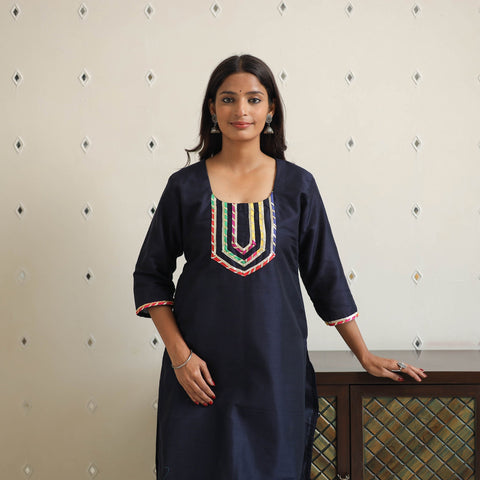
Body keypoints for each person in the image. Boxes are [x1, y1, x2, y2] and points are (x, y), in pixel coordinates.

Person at [133, 54, 427, 480]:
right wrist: (181, 358)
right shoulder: (185, 187)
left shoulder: (298, 186)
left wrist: (363, 353)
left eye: (254, 99)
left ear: (271, 109)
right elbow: (150, 275)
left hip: (276, 374)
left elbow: (325, 277)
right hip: (199, 375)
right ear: (212, 109)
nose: (241, 110)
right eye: (228, 99)